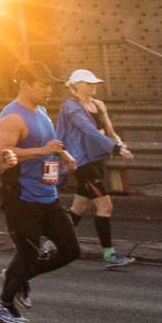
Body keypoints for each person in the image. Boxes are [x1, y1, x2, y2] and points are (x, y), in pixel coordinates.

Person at [0, 61, 79, 323]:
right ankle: (3, 304)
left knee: (70, 250)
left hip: (47, 194)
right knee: (29, 251)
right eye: (43, 85)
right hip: (21, 196)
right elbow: (0, 154)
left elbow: (46, 144)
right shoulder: (12, 117)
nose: (49, 90)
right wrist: (42, 151)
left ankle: (19, 275)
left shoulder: (40, 110)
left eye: (51, 85)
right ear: (25, 84)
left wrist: (62, 154)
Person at [59, 69, 135, 268]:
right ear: (76, 85)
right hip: (81, 162)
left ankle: (52, 243)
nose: (94, 85)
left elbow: (109, 131)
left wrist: (119, 142)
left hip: (98, 159)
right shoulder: (71, 107)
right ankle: (109, 255)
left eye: (95, 82)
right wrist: (117, 148)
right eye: (88, 82)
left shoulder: (99, 105)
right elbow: (89, 130)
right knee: (105, 205)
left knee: (79, 207)